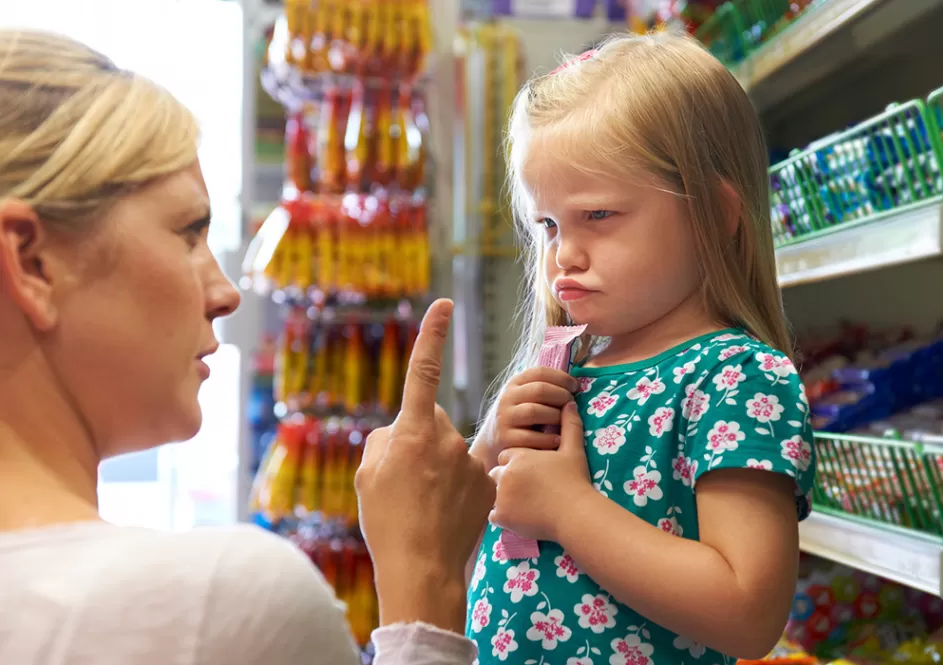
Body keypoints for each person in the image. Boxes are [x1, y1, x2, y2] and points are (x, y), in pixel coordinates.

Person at [0, 29, 491, 665]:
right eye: (186, 233)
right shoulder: (213, 604)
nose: (227, 293)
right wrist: (427, 583)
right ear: (32, 263)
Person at [465, 31, 816, 664]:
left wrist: (568, 510)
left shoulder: (737, 378)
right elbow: (462, 546)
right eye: (547, 224)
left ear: (714, 212)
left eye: (598, 216)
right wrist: (489, 446)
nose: (562, 255)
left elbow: (748, 611)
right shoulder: (570, 371)